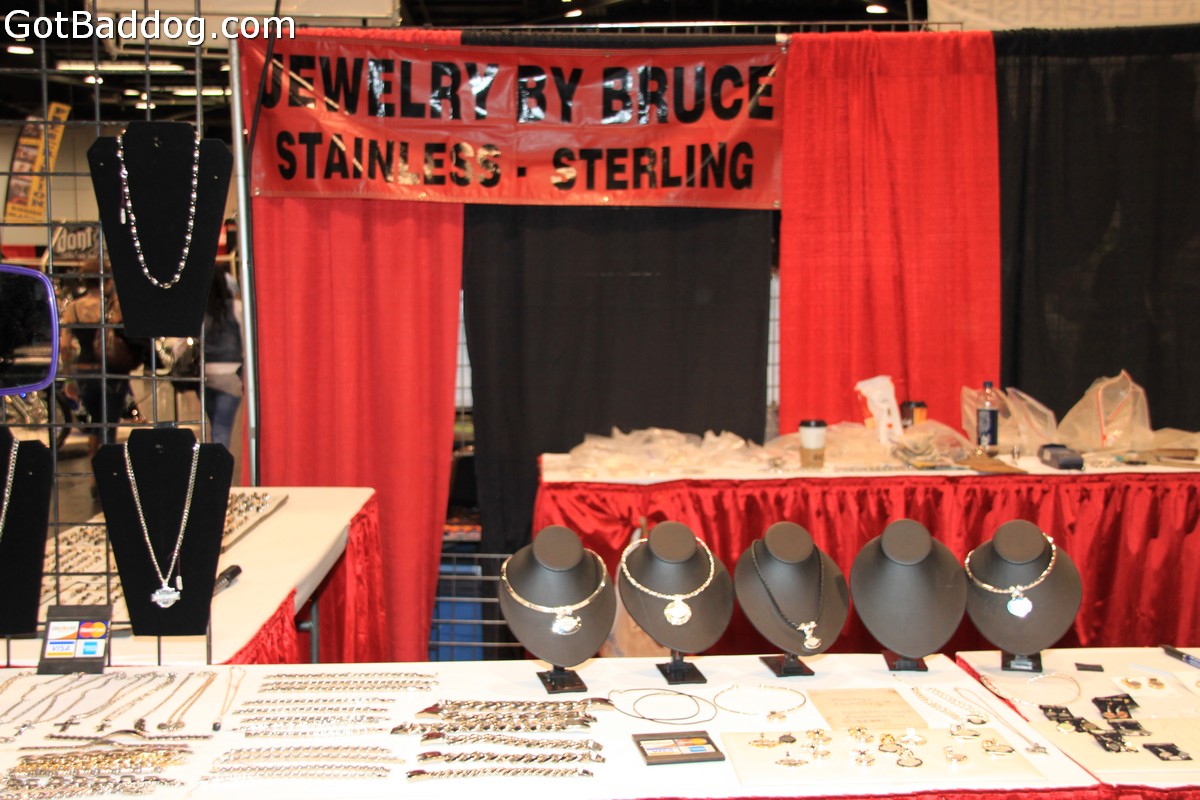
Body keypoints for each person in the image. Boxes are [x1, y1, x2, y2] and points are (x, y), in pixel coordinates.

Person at [58, 258, 140, 481]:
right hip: (112, 373)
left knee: (95, 424)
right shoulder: (112, 306)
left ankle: (95, 468)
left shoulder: (73, 308)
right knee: (109, 426)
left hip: (84, 372)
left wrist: (69, 377)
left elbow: (65, 346)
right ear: (107, 280)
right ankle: (106, 475)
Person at [202, 267, 243, 449]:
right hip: (231, 374)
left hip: (204, 373)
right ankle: (219, 463)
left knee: (215, 424)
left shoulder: (200, 311)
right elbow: (247, 339)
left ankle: (214, 459)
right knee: (222, 426)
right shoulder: (236, 308)